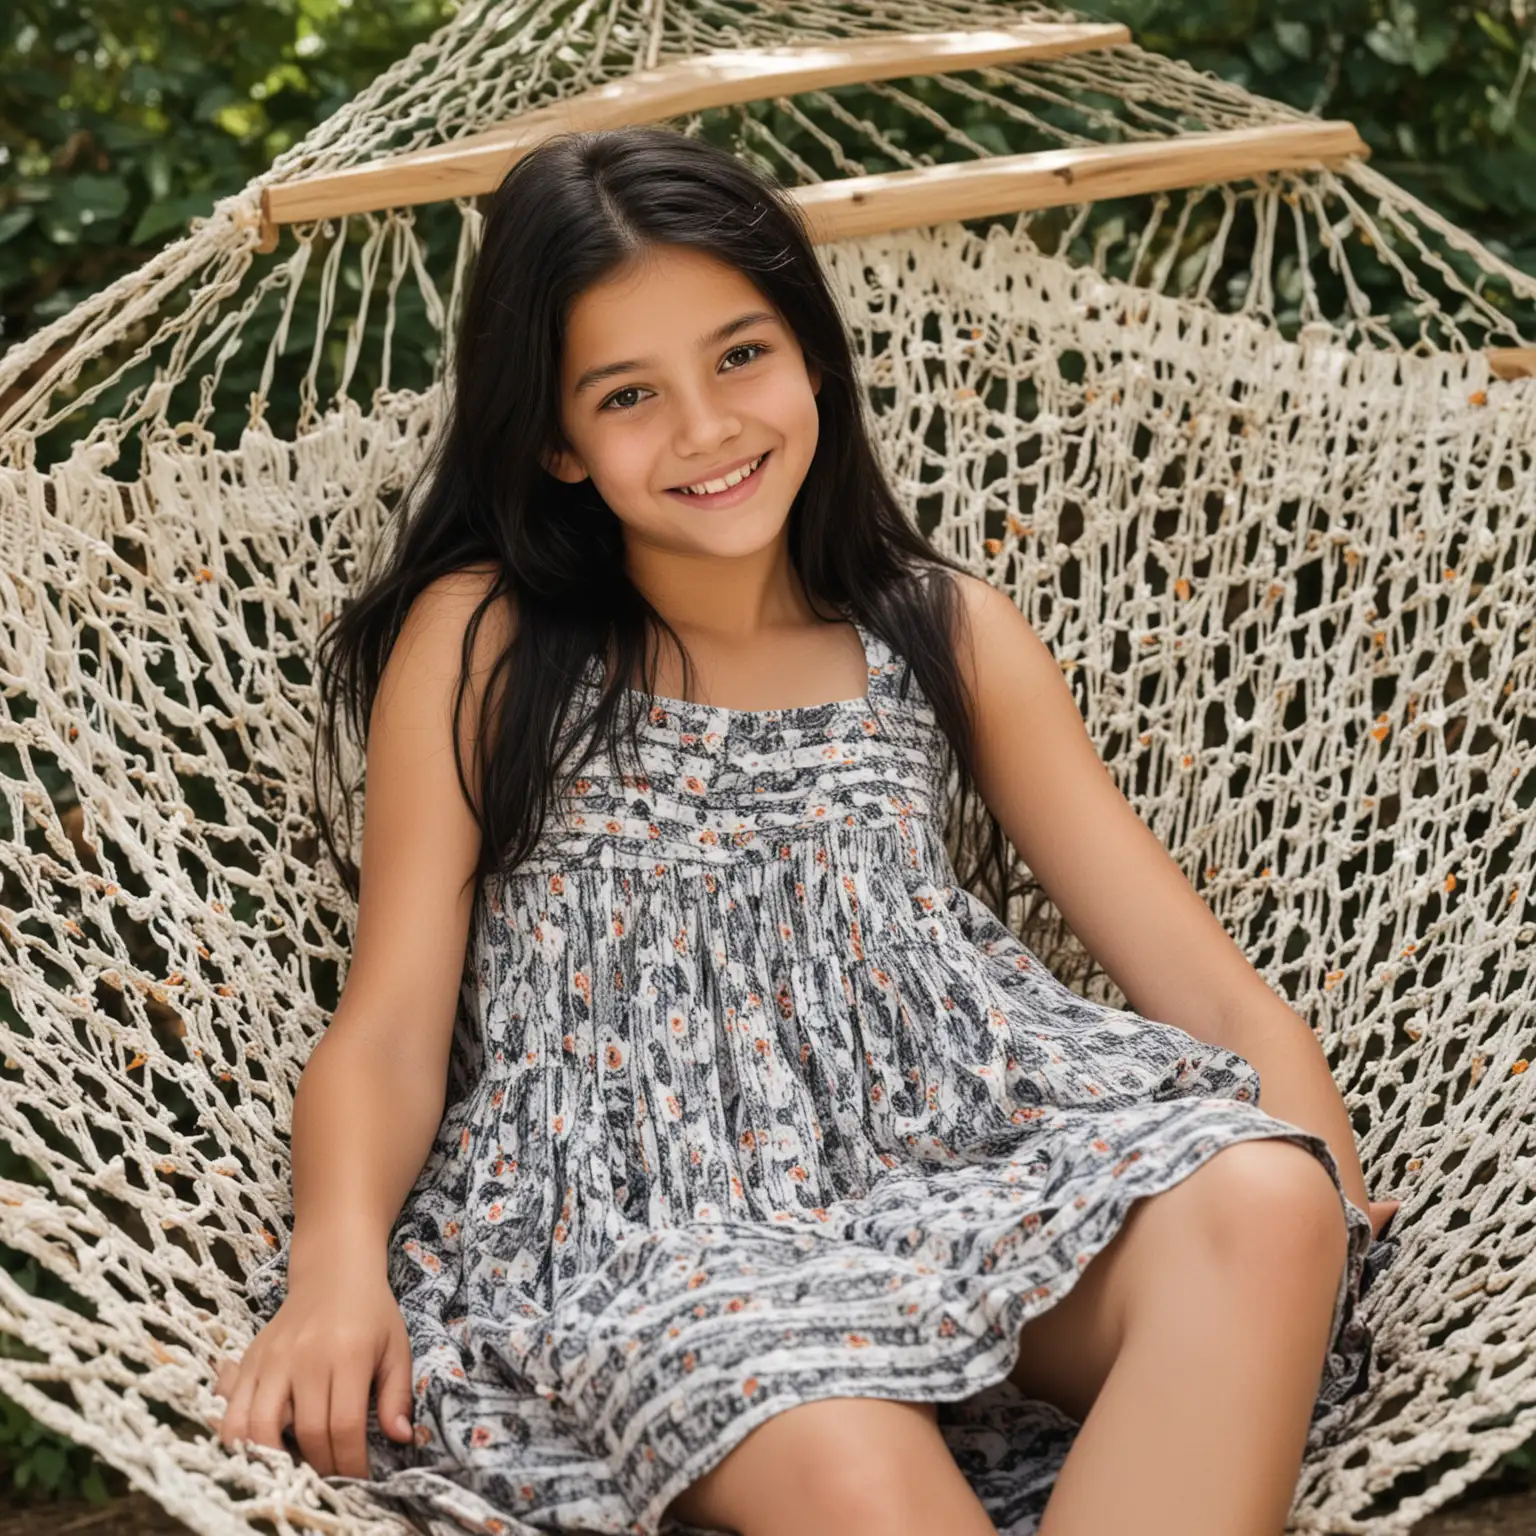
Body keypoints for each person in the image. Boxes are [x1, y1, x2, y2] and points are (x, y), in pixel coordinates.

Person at [211, 124, 1402, 1536]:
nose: (709, 429)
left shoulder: (939, 632)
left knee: (1268, 1203)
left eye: (740, 356)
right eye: (629, 394)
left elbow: (1199, 984)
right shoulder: (491, 644)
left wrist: (1329, 1207)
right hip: (645, 1236)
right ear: (556, 438)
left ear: (813, 356)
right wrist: (335, 1265)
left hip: (952, 1173)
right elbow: (394, 1028)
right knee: (847, 1453)